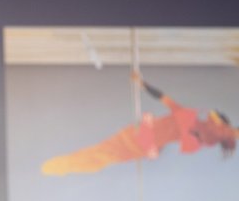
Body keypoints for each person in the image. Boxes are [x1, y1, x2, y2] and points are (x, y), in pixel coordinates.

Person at [42, 73, 238, 176]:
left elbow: (226, 133)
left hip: (142, 140)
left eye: (214, 118)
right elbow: (163, 97)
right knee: (102, 154)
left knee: (102, 156)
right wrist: (142, 84)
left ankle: (63, 165)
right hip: (140, 138)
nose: (210, 116)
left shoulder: (205, 133)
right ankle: (63, 165)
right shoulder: (189, 117)